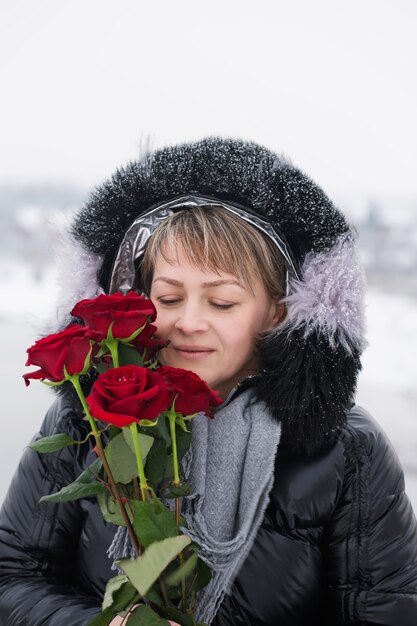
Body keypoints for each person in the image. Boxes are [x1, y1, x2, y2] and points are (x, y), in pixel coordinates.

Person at [0, 137, 416, 625]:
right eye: (169, 299)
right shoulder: (87, 422)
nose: (188, 322)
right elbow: (14, 577)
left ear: (276, 314)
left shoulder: (347, 453)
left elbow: (386, 614)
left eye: (222, 303)